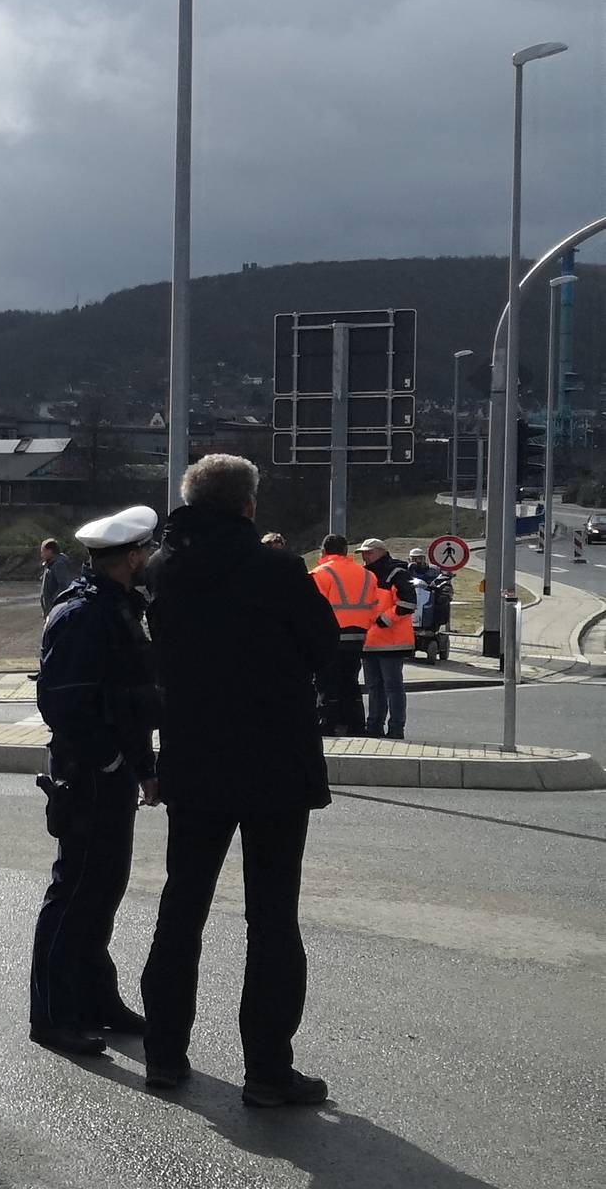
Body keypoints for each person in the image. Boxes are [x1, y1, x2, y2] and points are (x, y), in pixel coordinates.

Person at [140, 455, 338, 1106]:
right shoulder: (276, 569)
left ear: (190, 502)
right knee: (272, 919)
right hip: (274, 765)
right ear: (248, 506)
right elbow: (323, 648)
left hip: (192, 761)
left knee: (181, 907)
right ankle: (266, 1071)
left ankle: (164, 1056)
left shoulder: (163, 571)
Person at [28, 507, 162, 1057]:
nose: (152, 559)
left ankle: (96, 1000)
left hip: (112, 773)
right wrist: (108, 760)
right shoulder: (83, 613)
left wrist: (144, 767)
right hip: (87, 775)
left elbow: (125, 698)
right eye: (147, 551)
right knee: (74, 893)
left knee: (102, 892)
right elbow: (64, 702)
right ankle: (53, 1016)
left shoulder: (117, 606)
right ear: (131, 556)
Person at [308, 535, 380, 736]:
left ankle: (328, 723)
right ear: (346, 551)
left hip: (329, 637)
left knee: (326, 682)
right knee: (350, 681)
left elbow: (311, 610)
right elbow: (375, 608)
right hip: (358, 637)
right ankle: (355, 724)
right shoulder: (367, 575)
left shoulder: (320, 574)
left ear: (323, 551)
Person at [356, 541, 415, 738]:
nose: (364, 557)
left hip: (391, 641)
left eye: (368, 553)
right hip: (370, 640)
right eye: (363, 553)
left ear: (381, 552)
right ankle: (374, 726)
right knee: (375, 687)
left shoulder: (396, 573)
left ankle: (395, 728)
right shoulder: (365, 574)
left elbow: (408, 602)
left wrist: (385, 619)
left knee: (392, 687)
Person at [40, 538, 79, 615]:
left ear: (49, 551)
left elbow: (63, 586)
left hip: (55, 609)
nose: (41, 555)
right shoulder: (50, 564)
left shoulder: (59, 564)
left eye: (43, 551)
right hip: (51, 608)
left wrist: (53, 602)